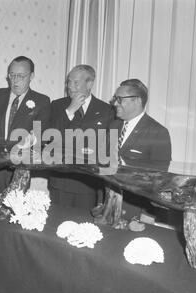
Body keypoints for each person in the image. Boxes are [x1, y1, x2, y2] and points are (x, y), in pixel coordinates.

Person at [0, 56, 51, 197]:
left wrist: (18, 154)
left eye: (21, 76)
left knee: (14, 213)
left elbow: (40, 136)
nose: (15, 80)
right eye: (12, 75)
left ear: (32, 76)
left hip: (19, 168)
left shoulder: (42, 101)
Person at [49, 64, 114, 210]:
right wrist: (70, 110)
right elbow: (50, 138)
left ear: (90, 84)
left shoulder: (106, 110)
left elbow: (107, 147)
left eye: (75, 82)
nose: (70, 86)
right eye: (69, 82)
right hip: (61, 182)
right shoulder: (58, 105)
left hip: (88, 185)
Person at [111, 78, 172, 220]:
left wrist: (147, 216)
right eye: (115, 98)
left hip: (137, 211)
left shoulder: (158, 132)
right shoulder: (113, 126)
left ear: (137, 101)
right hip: (110, 205)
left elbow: (160, 179)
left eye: (119, 99)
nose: (114, 103)